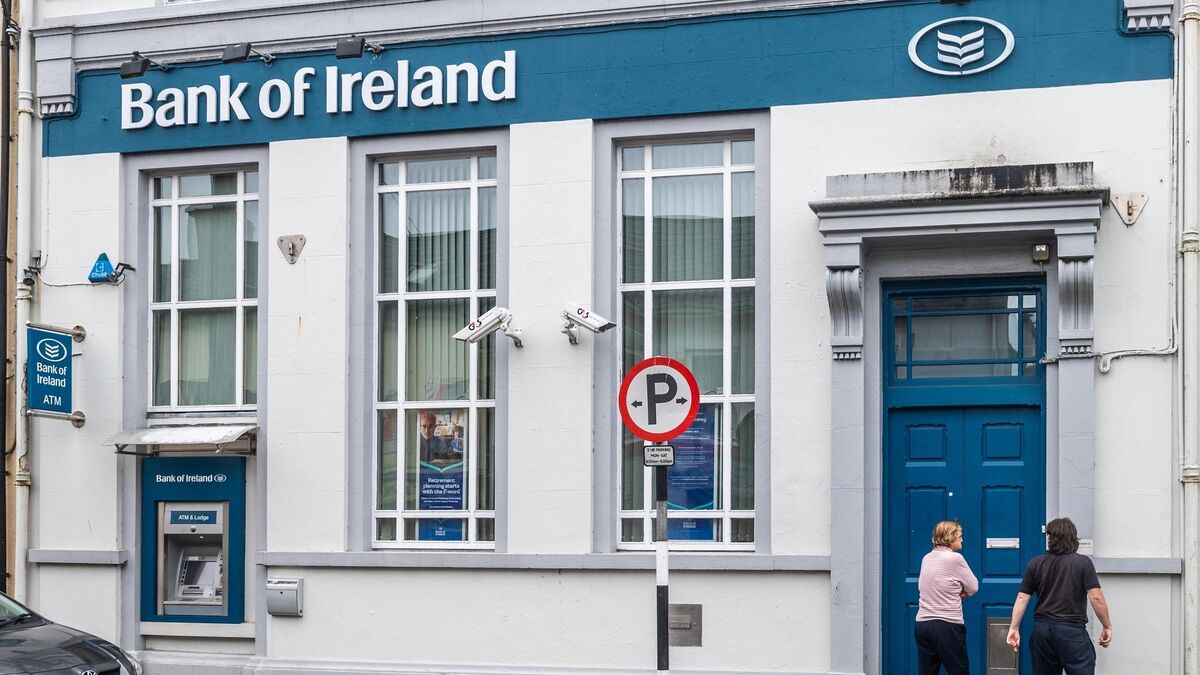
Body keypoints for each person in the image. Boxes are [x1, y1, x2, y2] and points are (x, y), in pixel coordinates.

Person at [1006, 517, 1113, 675]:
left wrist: (1014, 628)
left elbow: (1022, 598)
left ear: (1051, 538)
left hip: (1042, 632)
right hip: (1072, 632)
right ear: (1072, 538)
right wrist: (1106, 626)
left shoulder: (1035, 563)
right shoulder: (1083, 563)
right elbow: (1096, 597)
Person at [914, 520, 978, 675]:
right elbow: (973, 586)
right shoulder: (955, 559)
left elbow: (927, 585)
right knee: (959, 671)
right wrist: (960, 594)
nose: (962, 540)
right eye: (959, 536)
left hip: (923, 624)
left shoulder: (926, 558)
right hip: (947, 624)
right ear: (950, 537)